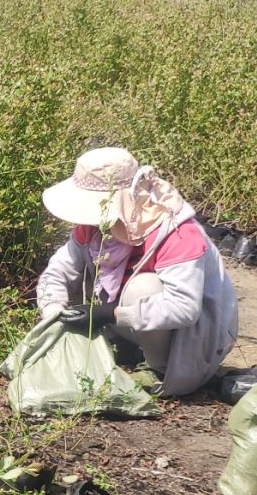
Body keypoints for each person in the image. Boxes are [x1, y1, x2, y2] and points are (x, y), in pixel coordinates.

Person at [36, 146, 238, 397]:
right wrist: (53, 311)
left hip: (193, 340)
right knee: (76, 280)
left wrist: (111, 313)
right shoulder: (94, 228)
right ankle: (125, 348)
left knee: (144, 288)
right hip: (135, 324)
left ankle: (160, 369)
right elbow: (58, 272)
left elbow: (184, 308)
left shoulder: (176, 232)